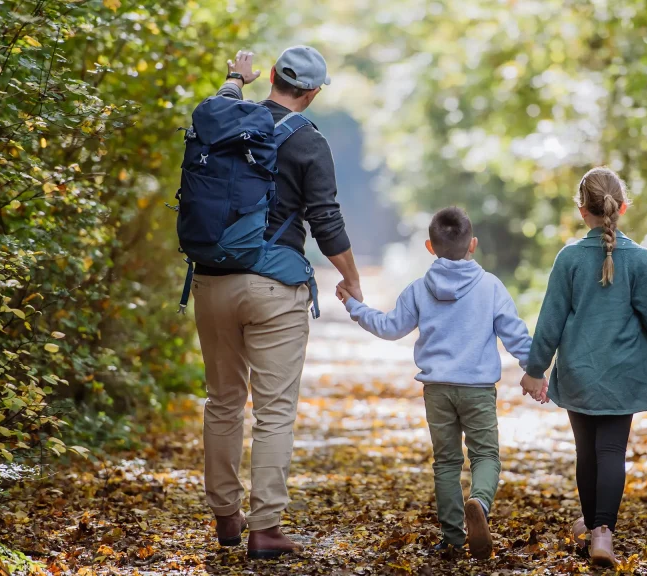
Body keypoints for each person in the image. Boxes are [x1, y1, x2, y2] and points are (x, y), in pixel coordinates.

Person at [193, 48, 363, 559]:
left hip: (213, 281)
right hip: (275, 289)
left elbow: (212, 114)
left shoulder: (228, 119)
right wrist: (351, 278)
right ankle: (265, 528)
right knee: (273, 411)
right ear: (312, 93)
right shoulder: (309, 141)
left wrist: (232, 79)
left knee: (223, 401)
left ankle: (226, 516)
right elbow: (326, 220)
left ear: (270, 78)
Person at [336, 207, 545, 559]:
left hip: (437, 392)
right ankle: (478, 502)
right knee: (485, 456)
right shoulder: (491, 286)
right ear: (473, 245)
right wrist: (535, 372)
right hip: (478, 390)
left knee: (446, 463)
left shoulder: (419, 289)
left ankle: (452, 537)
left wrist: (356, 306)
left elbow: (389, 327)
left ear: (429, 247)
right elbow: (516, 336)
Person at [521, 167, 647, 567]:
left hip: (579, 371)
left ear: (582, 211)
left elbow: (551, 320)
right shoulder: (641, 259)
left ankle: (593, 525)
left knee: (586, 452)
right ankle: (602, 533)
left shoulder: (570, 258)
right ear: (622, 207)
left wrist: (535, 369)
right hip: (624, 374)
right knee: (611, 450)